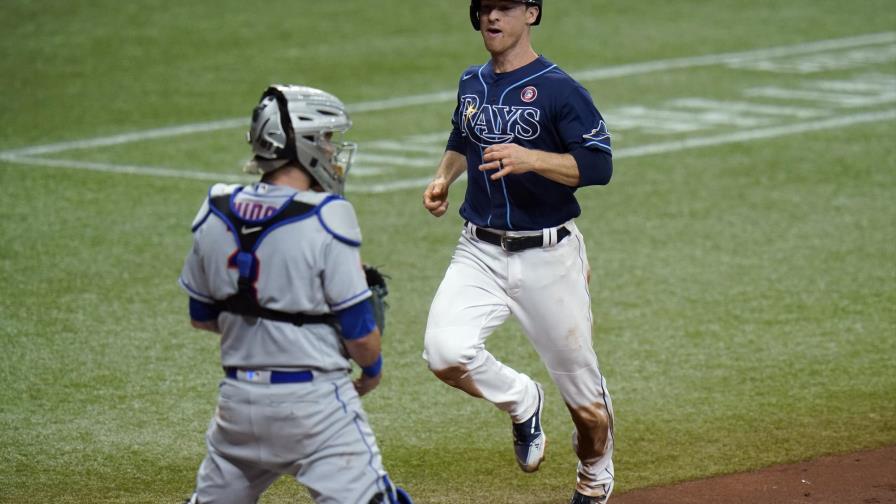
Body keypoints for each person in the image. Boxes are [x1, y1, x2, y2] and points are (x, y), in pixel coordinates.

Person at [178, 84, 411, 504]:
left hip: (238, 408)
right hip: (315, 410)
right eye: (325, 138)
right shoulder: (328, 217)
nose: (331, 150)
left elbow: (201, 315)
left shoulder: (214, 209)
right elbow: (361, 337)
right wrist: (371, 372)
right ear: (301, 144)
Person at [421, 1, 615, 503]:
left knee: (586, 405)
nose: (492, 17)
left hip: (548, 258)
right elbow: (462, 136)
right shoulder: (472, 81)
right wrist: (443, 178)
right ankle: (522, 399)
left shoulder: (560, 89)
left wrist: (532, 158)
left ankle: (594, 482)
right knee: (444, 352)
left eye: (505, 7)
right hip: (478, 252)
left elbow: (598, 167)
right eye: (485, 8)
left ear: (531, 13)